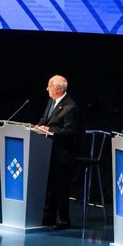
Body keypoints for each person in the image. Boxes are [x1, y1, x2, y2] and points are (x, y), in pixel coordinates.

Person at [36, 75, 79, 230]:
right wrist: (38, 126)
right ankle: (48, 217)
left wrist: (50, 130)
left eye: (50, 86)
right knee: (48, 186)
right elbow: (44, 119)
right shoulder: (51, 102)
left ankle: (63, 219)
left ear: (58, 89)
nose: (47, 89)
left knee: (60, 187)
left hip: (62, 153)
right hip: (47, 150)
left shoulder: (70, 107)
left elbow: (70, 131)